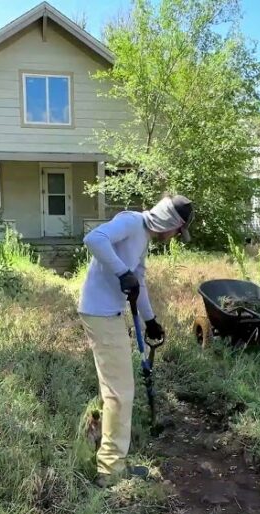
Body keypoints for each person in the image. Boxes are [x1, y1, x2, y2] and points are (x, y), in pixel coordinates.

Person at [78, 194, 193, 488]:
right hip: (101, 313)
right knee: (121, 392)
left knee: (114, 389)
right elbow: (93, 239)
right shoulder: (131, 223)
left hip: (107, 312)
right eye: (178, 231)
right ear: (171, 222)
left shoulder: (143, 238)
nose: (176, 237)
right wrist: (122, 271)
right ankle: (111, 470)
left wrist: (150, 320)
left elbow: (137, 281)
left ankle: (103, 446)